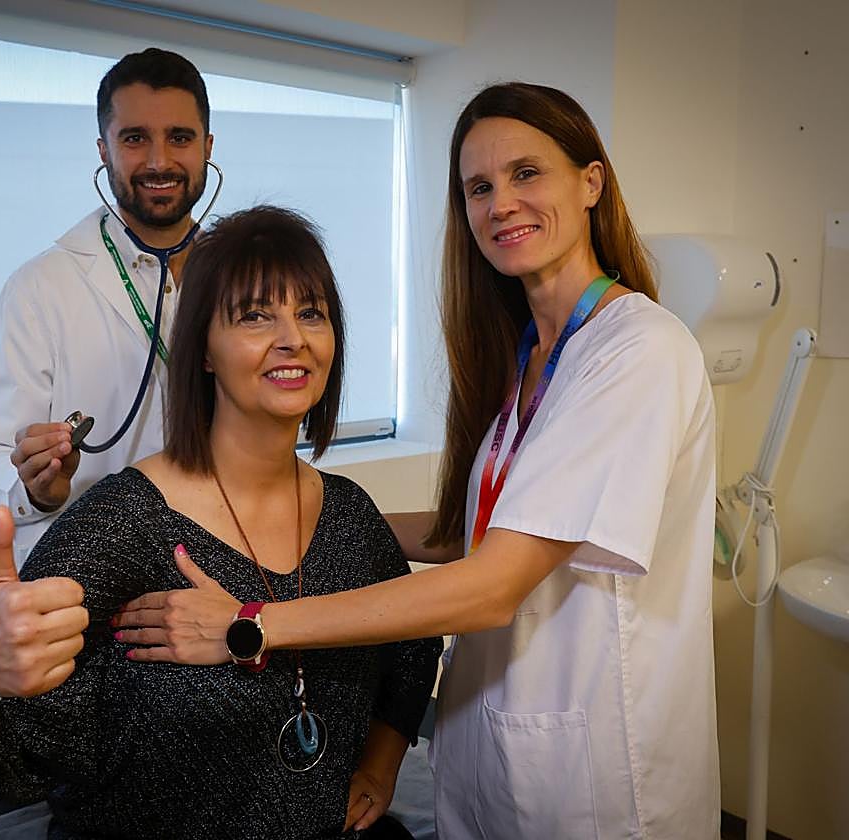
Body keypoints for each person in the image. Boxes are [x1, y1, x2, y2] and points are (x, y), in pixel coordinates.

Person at [112, 83, 721, 839]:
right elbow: (481, 528)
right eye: (479, 187)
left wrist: (250, 623)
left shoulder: (639, 352)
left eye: (526, 174)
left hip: (596, 766)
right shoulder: (525, 361)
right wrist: (310, 509)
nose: (502, 203)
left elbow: (497, 582)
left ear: (591, 183)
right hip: (487, 742)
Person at [0, 206, 442, 839]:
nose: (293, 337)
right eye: (256, 315)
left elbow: (413, 643)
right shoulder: (126, 529)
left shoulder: (348, 517)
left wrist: (380, 765)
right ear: (202, 350)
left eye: (310, 313)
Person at [0, 48, 216, 564]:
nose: (159, 161)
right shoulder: (41, 287)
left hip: (222, 557)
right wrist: (35, 487)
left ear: (208, 146)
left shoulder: (241, 280)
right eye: (135, 138)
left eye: (180, 138)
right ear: (104, 149)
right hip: (94, 571)